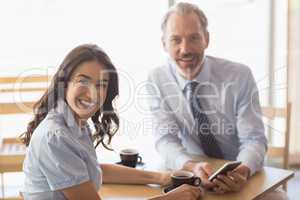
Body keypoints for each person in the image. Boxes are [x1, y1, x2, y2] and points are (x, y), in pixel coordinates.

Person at [20, 44, 202, 200]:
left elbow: (95, 171)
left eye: (101, 85)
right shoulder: (56, 136)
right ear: (65, 82)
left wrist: (163, 178)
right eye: (83, 81)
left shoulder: (72, 120)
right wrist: (169, 198)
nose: (92, 94)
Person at [147, 2, 287, 199]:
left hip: (243, 172)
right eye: (176, 40)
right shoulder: (157, 79)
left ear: (206, 39)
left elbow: (254, 139)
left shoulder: (239, 76)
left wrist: (243, 170)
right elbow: (165, 139)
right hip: (195, 173)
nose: (185, 49)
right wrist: (189, 165)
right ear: (164, 44)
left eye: (194, 38)